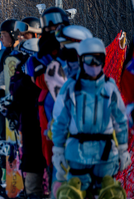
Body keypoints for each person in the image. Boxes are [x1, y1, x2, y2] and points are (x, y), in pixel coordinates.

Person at [51, 37, 130, 198]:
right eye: (89, 59)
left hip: (105, 155)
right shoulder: (71, 88)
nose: (94, 65)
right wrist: (58, 149)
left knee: (110, 193)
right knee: (72, 193)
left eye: (98, 60)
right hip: (78, 154)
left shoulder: (109, 87)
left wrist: (123, 148)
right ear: (81, 60)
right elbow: (60, 121)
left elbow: (120, 120)